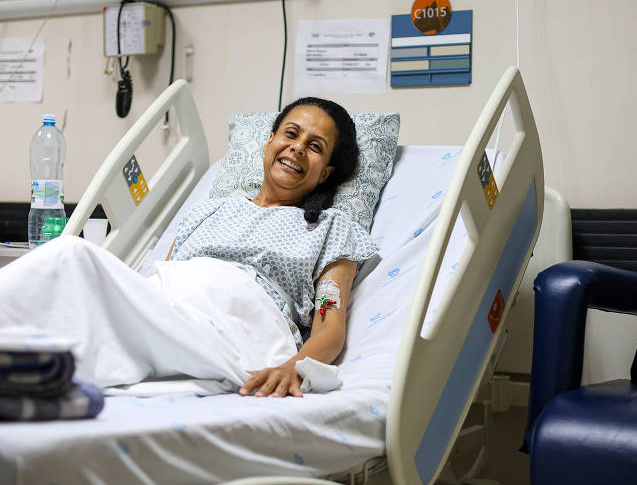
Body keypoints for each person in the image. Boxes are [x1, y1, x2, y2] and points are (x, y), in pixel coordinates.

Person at [0, 97, 377, 398]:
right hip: (165, 313)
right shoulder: (210, 208)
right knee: (66, 273)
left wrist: (292, 367)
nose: (296, 149)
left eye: (314, 147)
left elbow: (330, 325)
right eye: (290, 134)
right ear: (268, 142)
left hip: (236, 331)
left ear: (326, 172)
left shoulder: (330, 228)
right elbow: (162, 281)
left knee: (73, 253)